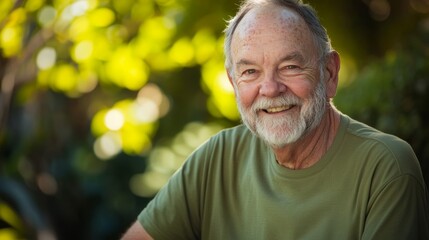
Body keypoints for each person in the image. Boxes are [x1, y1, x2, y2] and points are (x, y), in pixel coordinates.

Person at [121, 0, 429, 239]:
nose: (269, 89)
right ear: (233, 82)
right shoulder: (216, 158)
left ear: (329, 73)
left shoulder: (387, 168)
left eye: (290, 66)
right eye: (250, 72)